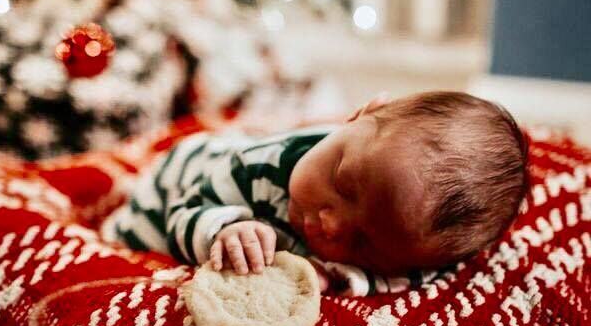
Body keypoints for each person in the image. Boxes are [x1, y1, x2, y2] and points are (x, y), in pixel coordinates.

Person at [109, 91, 528, 296]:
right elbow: (186, 211)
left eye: (363, 243)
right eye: (342, 182)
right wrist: (224, 231)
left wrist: (341, 276)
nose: (329, 223)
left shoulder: (414, 248)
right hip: (182, 179)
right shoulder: (259, 167)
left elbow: (408, 278)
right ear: (359, 114)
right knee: (134, 234)